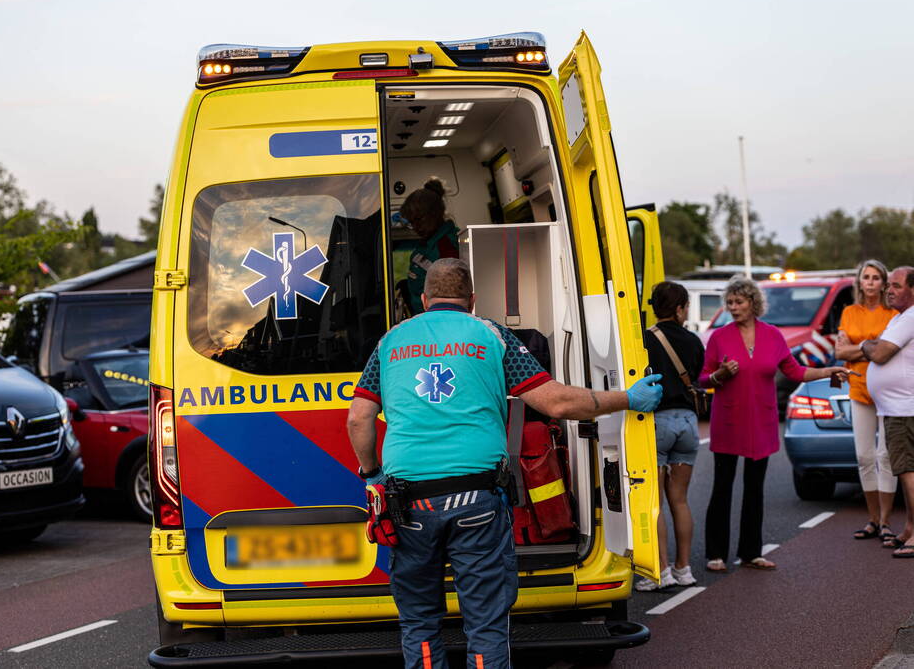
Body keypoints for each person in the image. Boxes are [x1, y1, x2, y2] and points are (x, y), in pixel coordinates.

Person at [347, 258, 663, 669]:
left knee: (420, 623)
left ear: (423, 300)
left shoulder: (391, 341)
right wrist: (628, 397)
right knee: (486, 625)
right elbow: (556, 402)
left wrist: (373, 475)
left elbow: (358, 418)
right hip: (476, 498)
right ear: (472, 300)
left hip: (410, 503)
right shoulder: (490, 335)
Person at [699, 277, 850, 573]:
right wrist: (720, 375)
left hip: (761, 421)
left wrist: (828, 371)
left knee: (755, 488)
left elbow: (794, 372)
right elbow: (703, 378)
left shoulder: (773, 336)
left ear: (753, 304)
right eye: (730, 303)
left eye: (739, 302)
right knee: (722, 487)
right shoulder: (719, 337)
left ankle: (750, 552)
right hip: (728, 420)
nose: (733, 307)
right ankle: (715, 553)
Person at [636, 281, 705, 590]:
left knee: (655, 502)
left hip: (658, 422)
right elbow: (699, 373)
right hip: (688, 422)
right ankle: (684, 568)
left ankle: (660, 571)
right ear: (679, 309)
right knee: (680, 499)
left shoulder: (644, 340)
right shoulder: (693, 341)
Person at [834, 260, 899, 542]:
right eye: (866, 277)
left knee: (886, 456)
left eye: (876, 278)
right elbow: (840, 352)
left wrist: (857, 348)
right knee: (864, 456)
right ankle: (872, 519)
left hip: (888, 391)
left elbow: (890, 352)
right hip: (858, 388)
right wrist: (869, 347)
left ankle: (886, 521)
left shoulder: (894, 313)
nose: (870, 282)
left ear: (883, 283)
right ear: (859, 282)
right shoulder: (849, 312)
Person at [863, 266, 914, 558]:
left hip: (903, 407)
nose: (889, 290)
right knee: (906, 470)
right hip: (898, 406)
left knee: (908, 472)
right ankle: (908, 527)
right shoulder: (902, 318)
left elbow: (880, 353)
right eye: (889, 286)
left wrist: (866, 345)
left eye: (896, 285)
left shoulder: (910, 318)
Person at [399, 178, 459, 316]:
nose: (415, 227)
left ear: (436, 213)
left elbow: (450, 299)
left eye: (419, 219)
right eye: (411, 222)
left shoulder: (447, 247)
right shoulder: (424, 246)